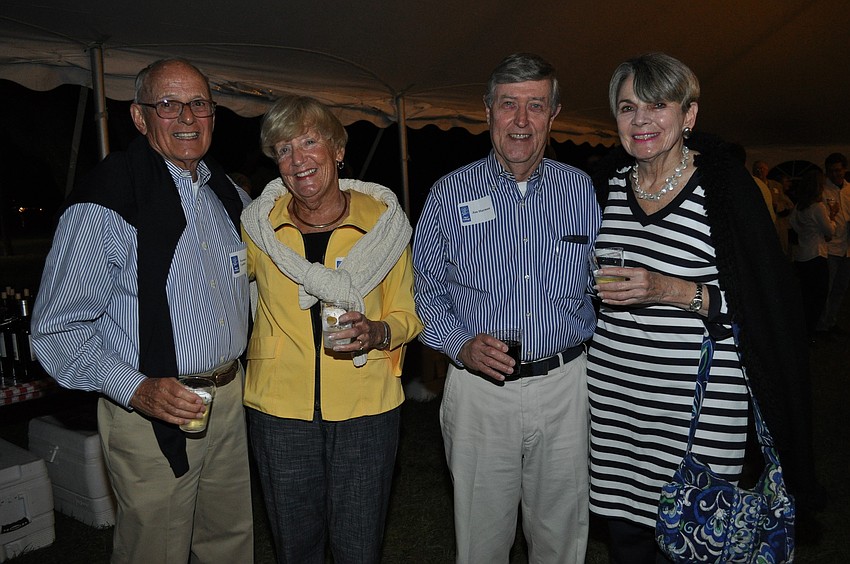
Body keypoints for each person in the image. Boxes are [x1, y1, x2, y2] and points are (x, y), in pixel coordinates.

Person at [587, 52, 814, 563]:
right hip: (616, 400)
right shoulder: (602, 188)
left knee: (698, 540)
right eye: (627, 107)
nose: (641, 119)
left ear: (688, 116)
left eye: (657, 105)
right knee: (626, 539)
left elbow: (768, 305)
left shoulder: (725, 190)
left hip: (700, 404)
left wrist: (670, 289)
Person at [30, 59, 254, 563]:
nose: (187, 118)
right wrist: (137, 389)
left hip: (228, 399)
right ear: (138, 117)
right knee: (156, 548)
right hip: (153, 409)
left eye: (199, 103)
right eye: (168, 104)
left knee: (230, 542)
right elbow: (56, 331)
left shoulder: (229, 195)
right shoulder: (106, 201)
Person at [413, 53, 600, 563]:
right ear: (488, 111)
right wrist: (460, 344)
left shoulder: (581, 191)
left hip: (566, 387)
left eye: (535, 106)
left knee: (562, 535)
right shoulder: (448, 193)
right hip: (480, 394)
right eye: (508, 105)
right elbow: (424, 290)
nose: (521, 121)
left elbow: (599, 283)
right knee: (481, 539)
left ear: (554, 114)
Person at [240, 94, 422, 564]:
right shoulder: (259, 229)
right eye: (283, 149)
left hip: (367, 407)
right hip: (280, 411)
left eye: (309, 141)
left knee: (358, 545)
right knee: (295, 547)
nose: (298, 159)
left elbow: (408, 313)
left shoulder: (384, 225)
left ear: (338, 149)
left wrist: (378, 333)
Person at [790, 169, 837, 338]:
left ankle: (803, 330)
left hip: (802, 255)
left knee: (806, 295)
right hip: (816, 255)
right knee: (818, 296)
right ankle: (809, 331)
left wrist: (806, 231)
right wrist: (832, 216)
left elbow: (793, 224)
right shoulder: (818, 207)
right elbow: (830, 229)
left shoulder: (799, 206)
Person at [817, 153, 850, 334]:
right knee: (827, 290)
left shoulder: (849, 190)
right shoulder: (823, 192)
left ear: (844, 169)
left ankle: (832, 321)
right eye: (831, 171)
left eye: (838, 170)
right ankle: (822, 325)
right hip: (831, 248)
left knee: (840, 288)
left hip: (848, 249)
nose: (836, 174)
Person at [753, 159, 794, 254]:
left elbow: (788, 204)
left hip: (778, 225)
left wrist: (777, 206)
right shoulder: (751, 185)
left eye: (762, 169)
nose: (760, 171)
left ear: (767, 170)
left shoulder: (776, 186)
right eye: (758, 169)